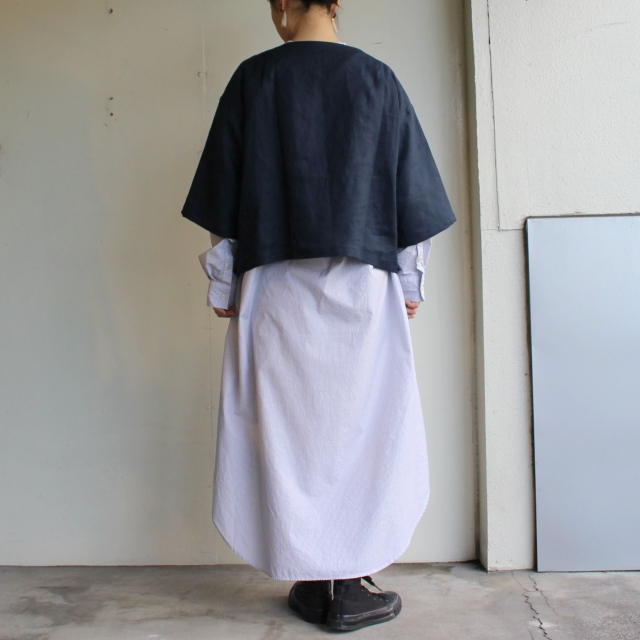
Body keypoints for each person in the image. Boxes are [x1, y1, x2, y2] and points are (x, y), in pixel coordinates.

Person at [182, 0, 456, 632]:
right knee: (363, 431)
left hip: (274, 288)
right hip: (364, 287)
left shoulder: (254, 79)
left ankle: (312, 577)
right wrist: (410, 281)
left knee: (288, 435)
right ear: (336, 4)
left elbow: (225, 200)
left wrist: (223, 283)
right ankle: (347, 585)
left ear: (282, 4)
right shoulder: (377, 79)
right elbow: (410, 193)